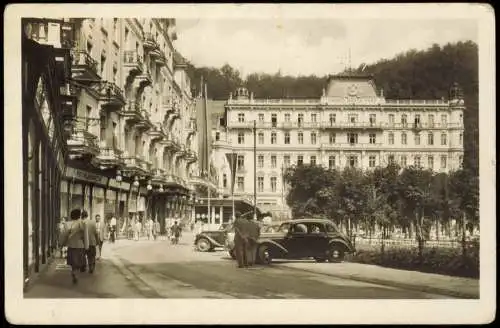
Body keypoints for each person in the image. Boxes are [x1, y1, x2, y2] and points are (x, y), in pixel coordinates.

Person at [59, 208, 89, 285]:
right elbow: (85, 236)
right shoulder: (83, 223)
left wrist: (61, 244)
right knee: (79, 262)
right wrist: (86, 246)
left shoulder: (67, 224)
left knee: (73, 262)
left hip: (71, 246)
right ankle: (75, 273)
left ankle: (74, 272)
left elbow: (64, 235)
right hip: (80, 246)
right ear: (79, 215)